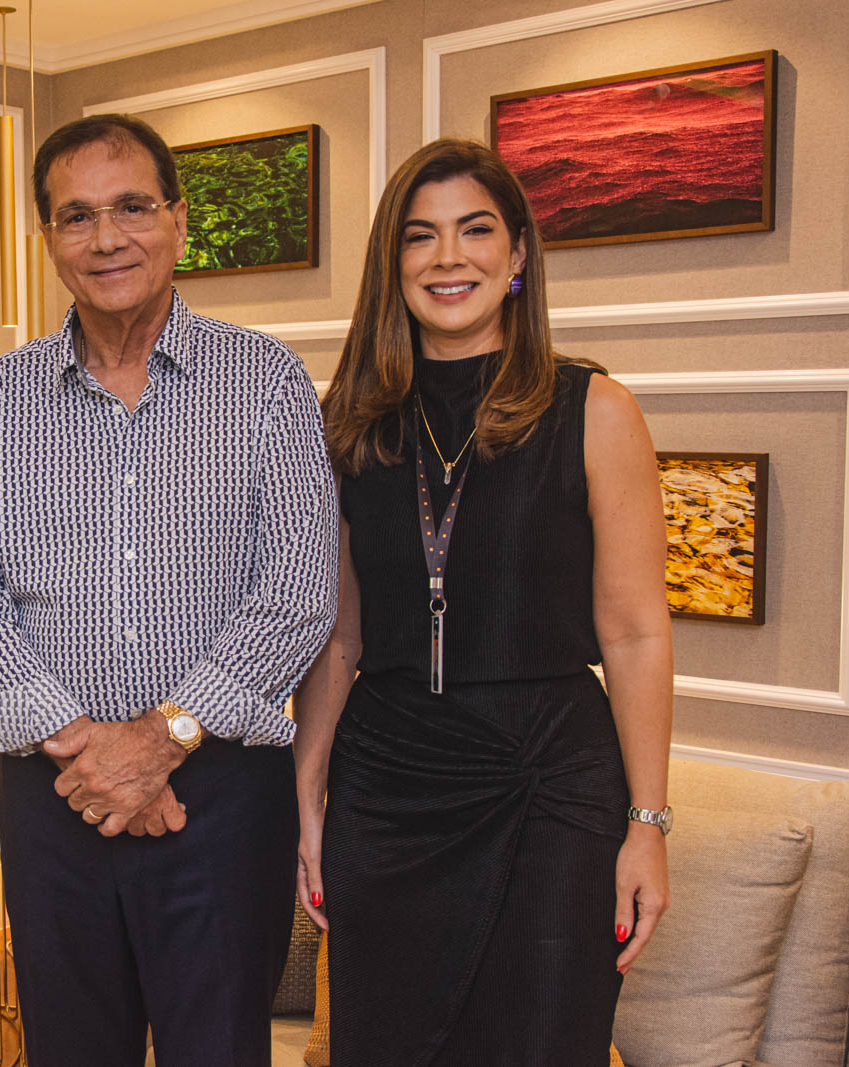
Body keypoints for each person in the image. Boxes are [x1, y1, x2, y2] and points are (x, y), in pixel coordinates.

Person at [0, 114, 338, 1067]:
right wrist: (86, 747)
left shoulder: (266, 381)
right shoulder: (0, 397)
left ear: (179, 221)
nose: (106, 238)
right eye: (76, 217)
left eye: (132, 208)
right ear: (48, 239)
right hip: (54, 794)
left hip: (218, 797)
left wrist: (162, 739)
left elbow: (297, 588)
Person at [293, 138, 674, 1065]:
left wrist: (649, 824)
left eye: (475, 230)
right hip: (386, 788)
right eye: (419, 236)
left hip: (552, 789)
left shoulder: (596, 409)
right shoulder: (348, 422)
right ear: (393, 264)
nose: (447, 257)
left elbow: (634, 632)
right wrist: (305, 799)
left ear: (517, 256)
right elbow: (338, 637)